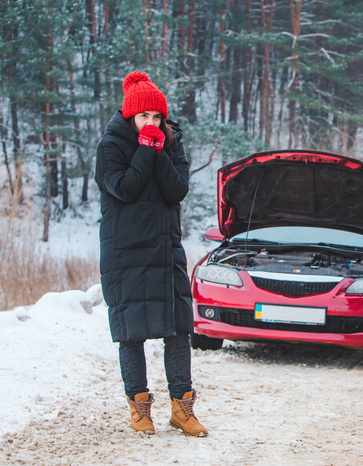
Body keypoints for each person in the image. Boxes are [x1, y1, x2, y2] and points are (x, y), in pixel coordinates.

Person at [95, 71, 207, 437]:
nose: (153, 123)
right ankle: (140, 409)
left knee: (178, 330)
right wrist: (145, 148)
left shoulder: (172, 143)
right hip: (125, 253)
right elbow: (124, 188)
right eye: (145, 116)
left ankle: (182, 409)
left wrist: (158, 148)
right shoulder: (110, 147)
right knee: (132, 333)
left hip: (164, 250)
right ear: (130, 115)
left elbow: (177, 191)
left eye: (158, 117)